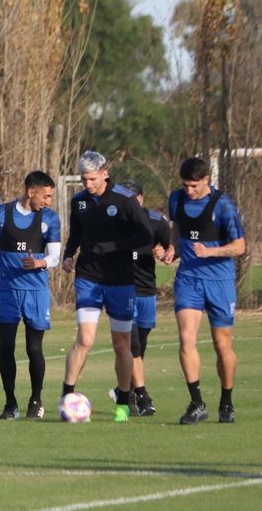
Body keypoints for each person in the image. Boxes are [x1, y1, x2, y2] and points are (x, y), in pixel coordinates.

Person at [59, 151, 152, 422]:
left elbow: (144, 235)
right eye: (83, 179)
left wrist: (112, 247)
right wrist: (68, 254)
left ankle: (123, 403)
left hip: (120, 281)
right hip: (88, 279)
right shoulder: (79, 202)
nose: (87, 184)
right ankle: (67, 396)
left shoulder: (124, 200)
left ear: (104, 172)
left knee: (121, 344)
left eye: (91, 179)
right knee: (85, 339)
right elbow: (76, 232)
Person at [162, 157, 246, 425]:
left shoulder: (223, 205)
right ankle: (196, 402)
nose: (189, 190)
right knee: (186, 339)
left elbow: (240, 246)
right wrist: (172, 250)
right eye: (185, 185)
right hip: (188, 279)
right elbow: (177, 229)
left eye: (194, 185)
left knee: (222, 345)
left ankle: (227, 401)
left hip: (219, 282)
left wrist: (212, 251)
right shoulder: (176, 199)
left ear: (207, 180)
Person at [0, 171, 61, 420]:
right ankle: (10, 403)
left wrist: (40, 263)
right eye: (46, 196)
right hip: (7, 290)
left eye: (51, 196)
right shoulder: (0, 214)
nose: (48, 201)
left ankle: (36, 400)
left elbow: (55, 256)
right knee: (7, 346)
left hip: (36, 291)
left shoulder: (50, 219)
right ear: (31, 192)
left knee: (34, 348)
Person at [107, 179, 172, 417]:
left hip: (147, 292)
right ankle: (142, 396)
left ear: (141, 198)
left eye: (133, 199)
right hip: (123, 289)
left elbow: (172, 249)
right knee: (132, 344)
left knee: (140, 345)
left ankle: (123, 389)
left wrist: (165, 253)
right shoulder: (114, 222)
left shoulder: (156, 221)